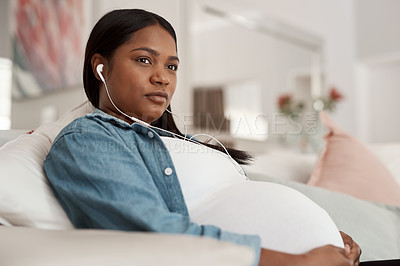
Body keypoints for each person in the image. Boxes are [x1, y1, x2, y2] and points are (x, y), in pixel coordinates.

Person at [43, 9, 367, 266]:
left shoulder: (184, 142)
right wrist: (296, 261)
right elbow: (153, 232)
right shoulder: (87, 138)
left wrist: (326, 239)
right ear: (100, 67)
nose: (162, 78)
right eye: (144, 60)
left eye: (172, 67)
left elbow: (238, 202)